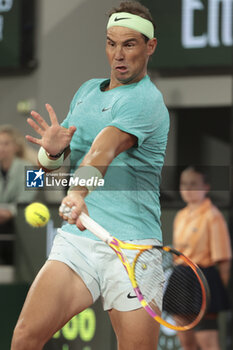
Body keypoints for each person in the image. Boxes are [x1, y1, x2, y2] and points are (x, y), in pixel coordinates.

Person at [11, 2, 169, 349]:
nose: (118, 54)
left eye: (129, 44)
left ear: (150, 46)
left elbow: (104, 148)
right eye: (111, 43)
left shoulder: (146, 101)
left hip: (132, 250)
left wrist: (79, 191)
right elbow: (48, 171)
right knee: (24, 337)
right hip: (78, 242)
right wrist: (51, 152)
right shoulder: (86, 92)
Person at [172, 166, 232, 350]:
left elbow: (223, 260)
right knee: (186, 343)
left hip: (204, 279)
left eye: (193, 184)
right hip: (181, 279)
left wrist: (214, 290)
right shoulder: (180, 215)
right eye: (184, 184)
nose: (188, 189)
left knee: (208, 343)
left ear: (205, 187)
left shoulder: (213, 216)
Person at [0, 125, 37, 265]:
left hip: (23, 221)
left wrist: (8, 212)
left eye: (6, 143)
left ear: (16, 146)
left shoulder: (32, 170)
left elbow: (26, 201)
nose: (1, 148)